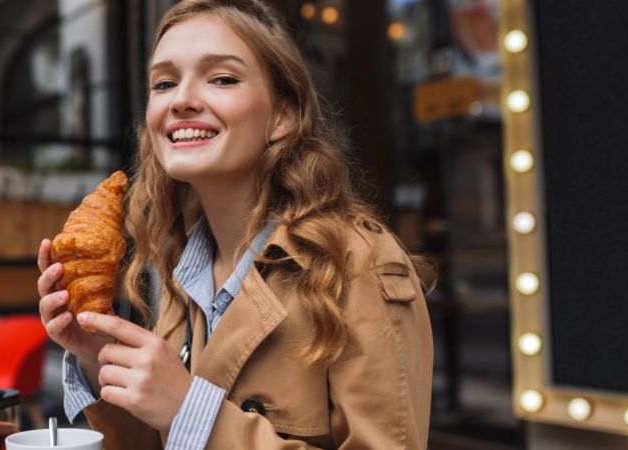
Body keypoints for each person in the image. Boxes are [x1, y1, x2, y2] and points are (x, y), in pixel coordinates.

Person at [37, 1, 434, 448]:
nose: (182, 99)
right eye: (164, 83)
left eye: (222, 78)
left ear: (282, 116)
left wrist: (191, 409)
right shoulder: (181, 272)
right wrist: (97, 359)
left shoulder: (357, 265)